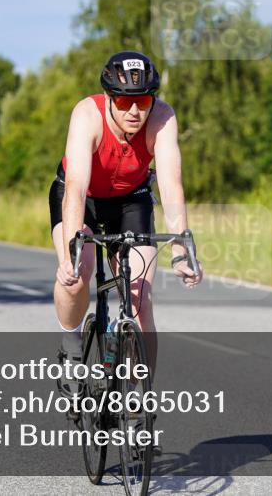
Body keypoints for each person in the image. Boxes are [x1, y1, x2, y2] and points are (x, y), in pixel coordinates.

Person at [51, 51, 204, 381]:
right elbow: (76, 188)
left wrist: (181, 252)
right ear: (108, 97)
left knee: (140, 298)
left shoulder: (162, 118)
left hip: (131, 201)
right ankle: (72, 342)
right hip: (84, 198)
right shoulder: (86, 115)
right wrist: (71, 254)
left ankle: (140, 394)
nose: (135, 111)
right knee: (77, 274)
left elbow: (171, 187)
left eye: (144, 100)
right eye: (123, 102)